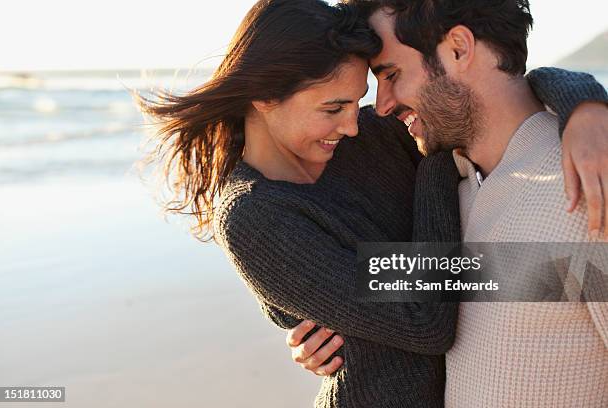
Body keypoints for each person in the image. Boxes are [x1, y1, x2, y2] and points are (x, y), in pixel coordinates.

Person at [136, 0, 608, 406]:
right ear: (264, 96)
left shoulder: (581, 181)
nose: (364, 118)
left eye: (383, 79)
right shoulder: (257, 215)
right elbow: (427, 311)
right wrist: (436, 163)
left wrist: (585, 103)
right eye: (333, 108)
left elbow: (497, 97)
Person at [287, 0, 608, 407]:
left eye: (391, 74)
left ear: (458, 48)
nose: (382, 104)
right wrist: (335, 325)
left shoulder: (589, 185)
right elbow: (457, 285)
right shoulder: (450, 184)